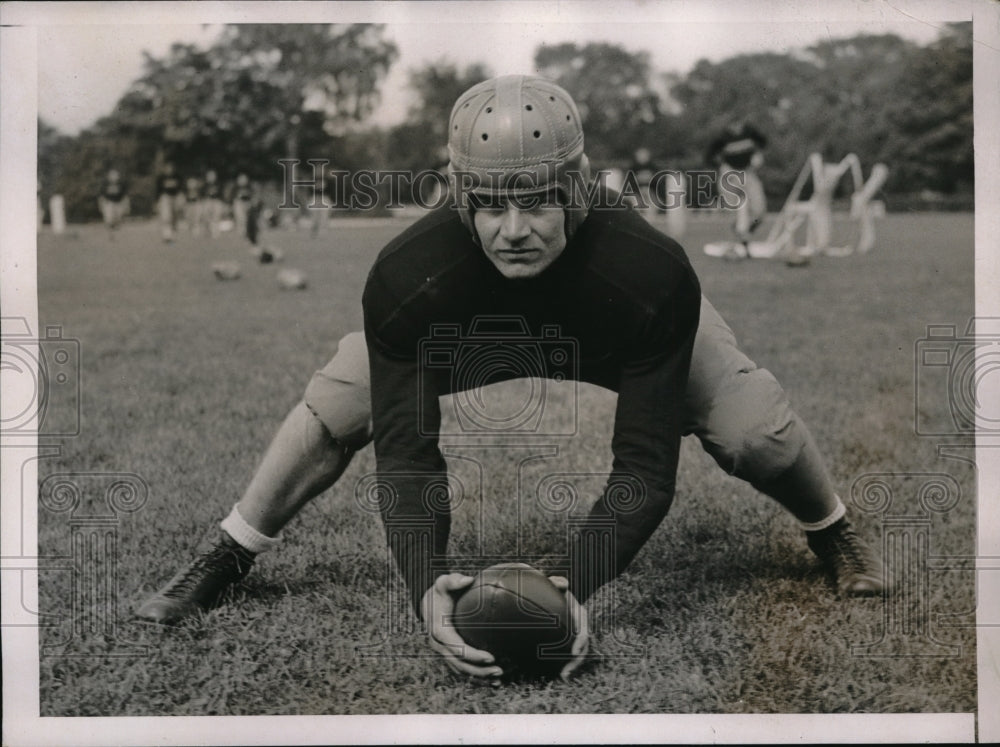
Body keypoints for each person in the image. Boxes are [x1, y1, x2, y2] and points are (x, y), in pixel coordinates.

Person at [137, 76, 884, 681]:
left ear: (579, 189)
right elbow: (407, 456)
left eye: (537, 198)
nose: (514, 228)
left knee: (753, 424)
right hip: (465, 332)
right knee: (338, 399)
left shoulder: (648, 270)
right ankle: (230, 548)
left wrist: (573, 580)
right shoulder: (410, 276)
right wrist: (427, 579)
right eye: (491, 204)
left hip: (611, 333)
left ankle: (833, 529)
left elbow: (647, 467)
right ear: (460, 194)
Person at [706, 121, 769, 258]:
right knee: (734, 213)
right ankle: (740, 244)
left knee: (759, 212)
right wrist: (721, 166)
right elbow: (709, 156)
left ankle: (745, 236)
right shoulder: (722, 138)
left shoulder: (751, 133)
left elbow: (763, 143)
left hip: (748, 173)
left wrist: (758, 156)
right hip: (730, 175)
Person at [155, 162, 183, 243]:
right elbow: (158, 191)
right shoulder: (161, 178)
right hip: (165, 197)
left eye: (170, 167)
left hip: (175, 198)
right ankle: (167, 235)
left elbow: (180, 189)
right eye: (167, 168)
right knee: (166, 216)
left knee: (174, 217)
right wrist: (157, 202)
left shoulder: (177, 177)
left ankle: (173, 233)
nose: (168, 169)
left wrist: (180, 199)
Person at [97, 168, 130, 237]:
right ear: (109, 176)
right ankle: (110, 233)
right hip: (108, 203)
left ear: (118, 176)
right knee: (109, 218)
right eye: (112, 175)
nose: (114, 177)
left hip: (118, 203)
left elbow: (125, 196)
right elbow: (101, 196)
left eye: (116, 175)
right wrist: (101, 205)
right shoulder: (105, 185)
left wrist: (127, 205)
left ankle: (114, 230)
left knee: (118, 219)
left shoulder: (121, 185)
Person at [200, 169, 224, 238]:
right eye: (209, 176)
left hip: (216, 201)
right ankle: (207, 230)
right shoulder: (204, 185)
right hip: (207, 201)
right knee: (206, 214)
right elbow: (202, 195)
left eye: (213, 175)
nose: (211, 177)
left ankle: (215, 231)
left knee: (216, 215)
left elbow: (221, 195)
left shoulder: (219, 184)